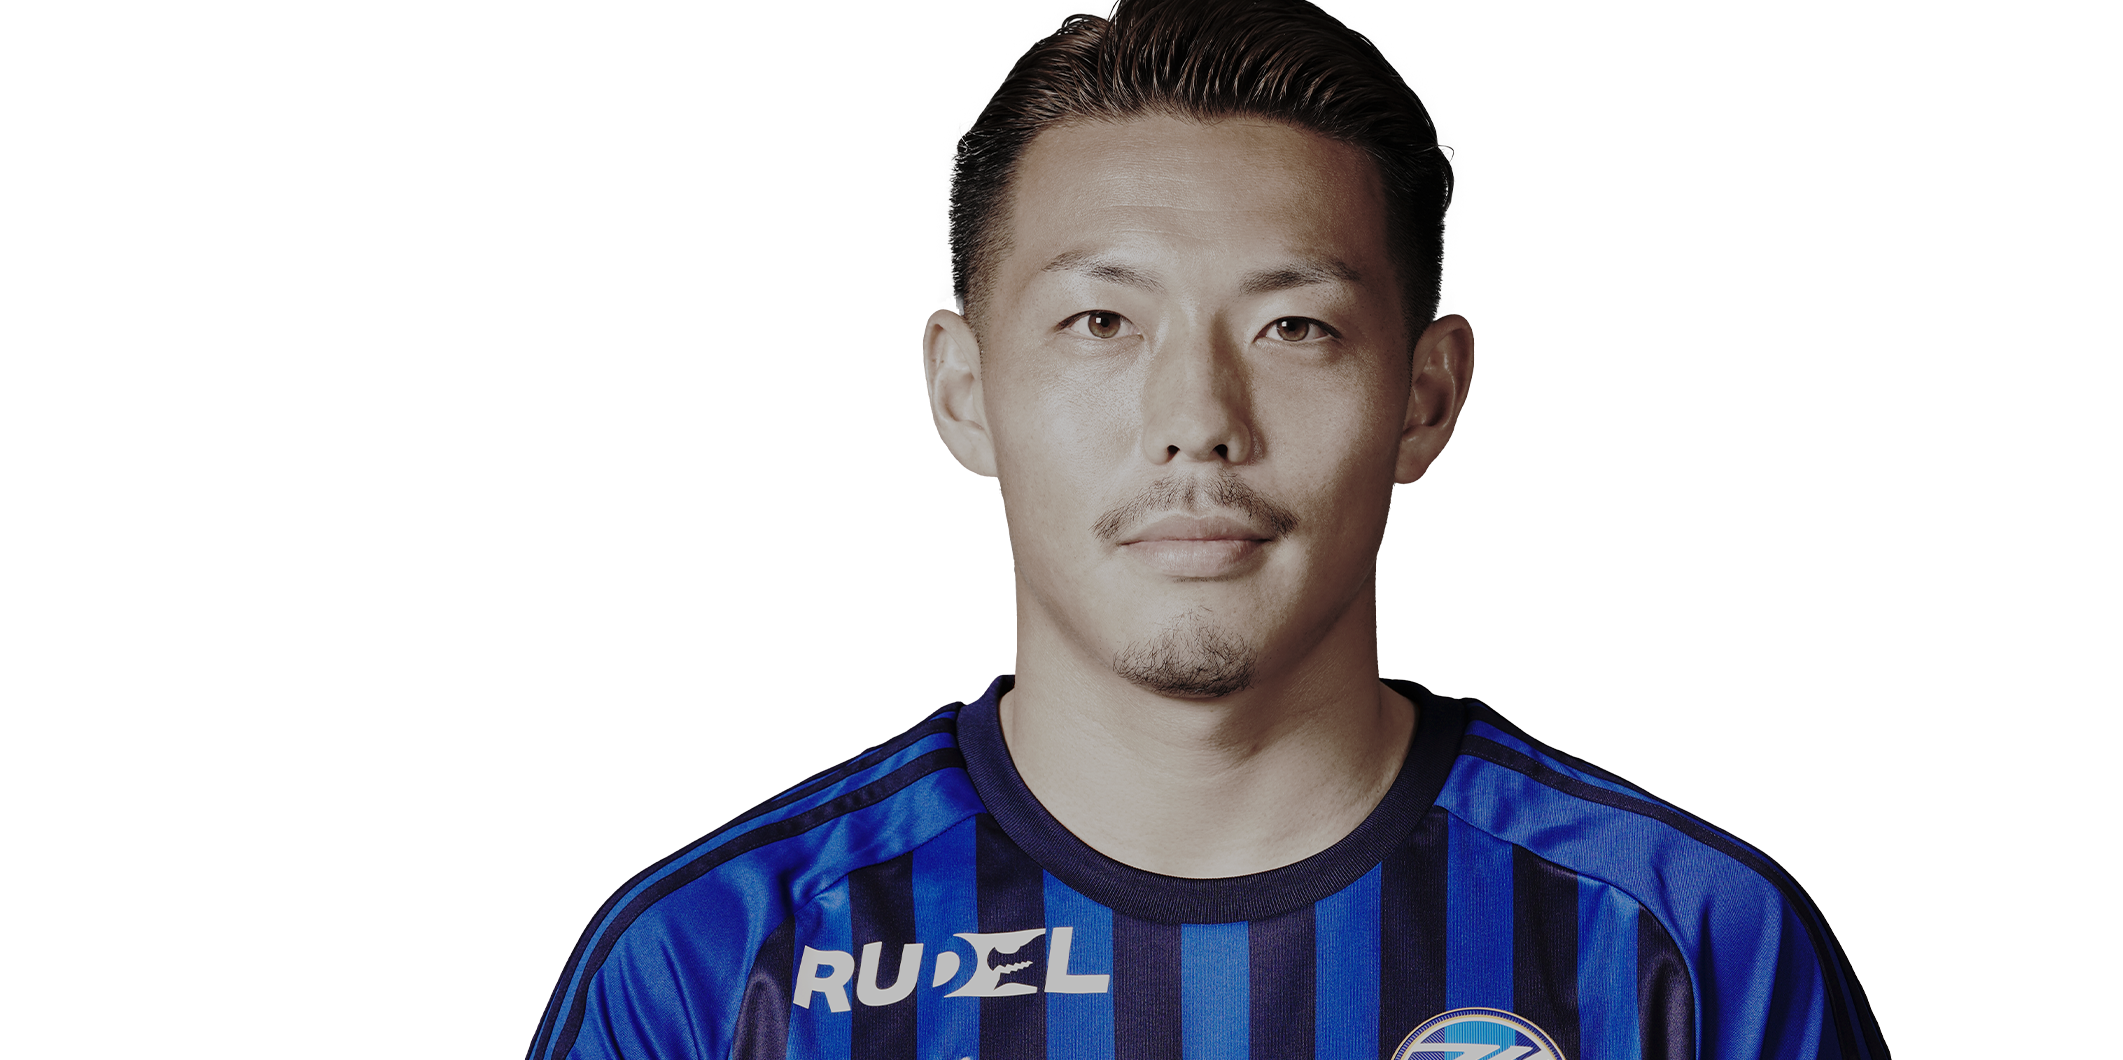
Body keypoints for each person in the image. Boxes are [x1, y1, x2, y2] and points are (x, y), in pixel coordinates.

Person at [528, 2, 1889, 1057]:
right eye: (1100, 321)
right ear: (962, 392)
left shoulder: (1684, 945)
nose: (1197, 419)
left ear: (1426, 399)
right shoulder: (717, 964)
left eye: (1294, 326)